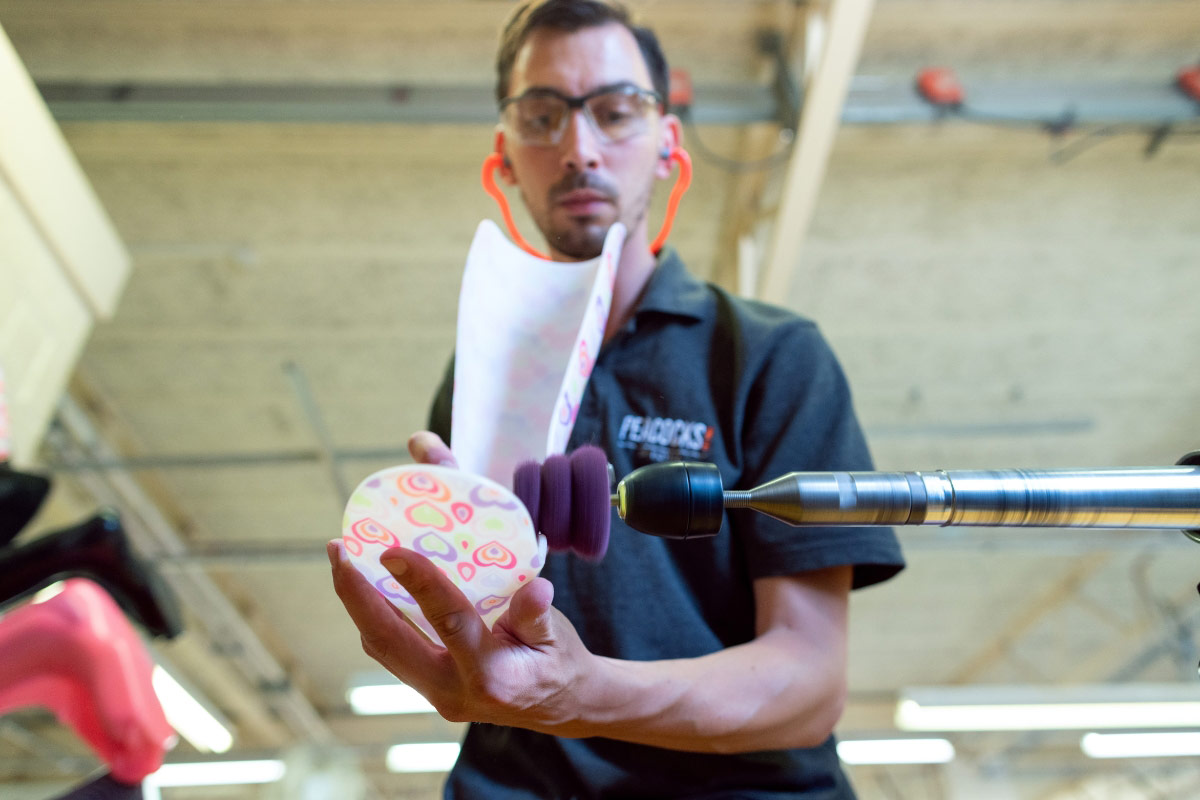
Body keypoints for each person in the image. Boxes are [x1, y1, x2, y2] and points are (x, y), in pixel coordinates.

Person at [328, 2, 905, 797]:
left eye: (616, 111)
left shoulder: (771, 355)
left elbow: (808, 683)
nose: (579, 148)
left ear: (667, 145)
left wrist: (584, 696)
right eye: (542, 116)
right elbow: (486, 645)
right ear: (506, 155)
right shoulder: (475, 378)